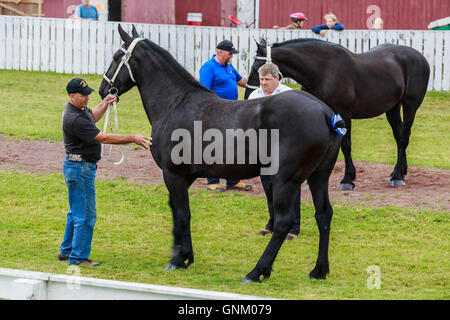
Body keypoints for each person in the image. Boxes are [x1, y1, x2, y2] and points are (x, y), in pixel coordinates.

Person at [58, 78, 151, 267]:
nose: (86, 98)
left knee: (75, 212)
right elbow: (102, 137)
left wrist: (105, 103)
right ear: (71, 96)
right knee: (85, 215)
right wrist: (132, 137)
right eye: (83, 96)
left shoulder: (79, 110)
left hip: (77, 167)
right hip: (80, 169)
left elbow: (92, 116)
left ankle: (66, 252)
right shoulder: (74, 118)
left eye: (87, 95)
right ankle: (78, 258)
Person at [247, 63, 299, 240]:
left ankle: (293, 227)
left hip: (286, 147)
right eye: (261, 79)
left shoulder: (288, 94)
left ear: (277, 78)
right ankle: (273, 223)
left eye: (267, 79)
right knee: (269, 186)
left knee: (290, 186)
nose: (263, 83)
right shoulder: (255, 95)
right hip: (263, 146)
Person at [199, 40, 252, 192]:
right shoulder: (208, 68)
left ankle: (233, 180)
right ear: (220, 52)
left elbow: (241, 80)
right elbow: (204, 92)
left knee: (233, 146)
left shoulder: (229, 67)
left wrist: (258, 84)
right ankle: (212, 181)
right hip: (215, 113)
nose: (231, 57)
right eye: (230, 53)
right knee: (214, 147)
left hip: (233, 112)